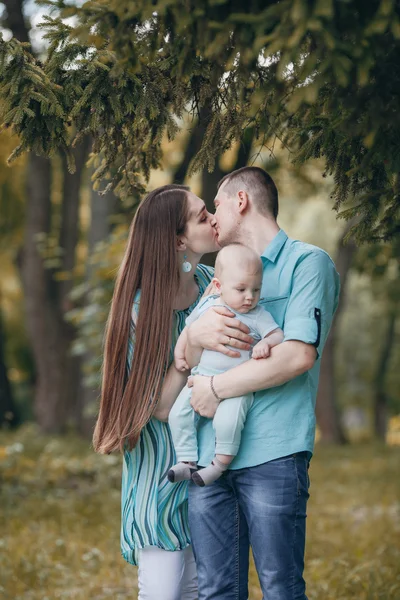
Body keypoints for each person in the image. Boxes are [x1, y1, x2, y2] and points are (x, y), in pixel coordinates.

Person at [92, 184, 253, 600]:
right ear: (179, 239)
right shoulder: (142, 309)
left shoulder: (209, 284)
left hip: (206, 466)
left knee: (203, 588)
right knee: (164, 593)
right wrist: (192, 343)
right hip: (158, 474)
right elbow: (160, 408)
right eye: (203, 217)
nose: (214, 219)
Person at [186, 166, 341, 599]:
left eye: (215, 204)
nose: (212, 217)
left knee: (280, 589)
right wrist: (194, 339)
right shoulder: (216, 280)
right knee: (215, 590)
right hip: (207, 460)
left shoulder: (308, 264)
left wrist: (216, 389)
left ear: (241, 201)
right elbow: (192, 352)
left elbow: (297, 354)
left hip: (274, 457)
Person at [168, 244, 284, 487]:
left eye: (256, 289)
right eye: (241, 289)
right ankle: (187, 460)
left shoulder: (257, 314)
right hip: (201, 377)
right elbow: (189, 330)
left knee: (227, 423)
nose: (250, 297)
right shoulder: (209, 304)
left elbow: (277, 334)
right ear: (219, 286)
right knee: (178, 414)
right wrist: (180, 353)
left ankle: (218, 465)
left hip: (236, 384)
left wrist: (267, 344)